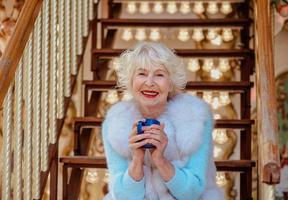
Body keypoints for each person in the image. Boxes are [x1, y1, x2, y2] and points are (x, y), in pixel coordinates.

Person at [102, 42, 224, 200]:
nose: (150, 82)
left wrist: (160, 159)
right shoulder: (115, 124)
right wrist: (137, 159)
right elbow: (123, 196)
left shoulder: (195, 119)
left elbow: (192, 193)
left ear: (170, 83)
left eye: (159, 75)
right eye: (142, 74)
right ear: (131, 81)